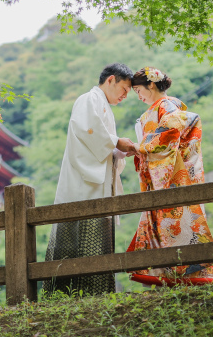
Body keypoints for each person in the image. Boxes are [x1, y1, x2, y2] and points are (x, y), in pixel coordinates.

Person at [43, 62, 136, 296]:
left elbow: (103, 146)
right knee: (76, 236)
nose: (126, 95)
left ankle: (95, 293)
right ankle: (66, 293)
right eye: (124, 88)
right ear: (111, 80)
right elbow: (86, 130)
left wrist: (120, 151)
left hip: (97, 181)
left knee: (95, 237)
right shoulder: (89, 99)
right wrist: (116, 142)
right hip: (82, 183)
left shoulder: (104, 105)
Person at [123, 66, 213, 286]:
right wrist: (141, 150)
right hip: (163, 174)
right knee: (169, 222)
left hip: (173, 174)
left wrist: (141, 147)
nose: (138, 96)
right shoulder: (162, 107)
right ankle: (171, 275)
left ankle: (189, 276)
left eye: (138, 90)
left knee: (178, 221)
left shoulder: (167, 106)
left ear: (152, 84)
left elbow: (170, 133)